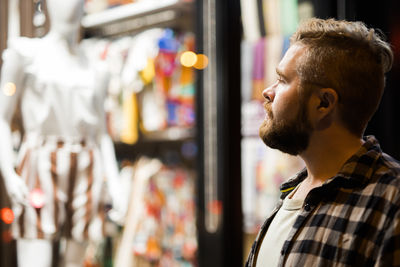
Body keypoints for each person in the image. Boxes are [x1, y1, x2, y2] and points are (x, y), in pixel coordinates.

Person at [246, 18, 399, 266]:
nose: (268, 91)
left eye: (283, 80)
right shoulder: (292, 193)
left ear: (323, 103)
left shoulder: (391, 203)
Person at [0, 1, 125, 266]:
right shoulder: (25, 55)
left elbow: (102, 132)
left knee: (75, 261)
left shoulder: (96, 67)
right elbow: (1, 116)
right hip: (39, 163)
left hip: (86, 166)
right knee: (36, 258)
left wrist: (114, 183)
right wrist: (9, 173)